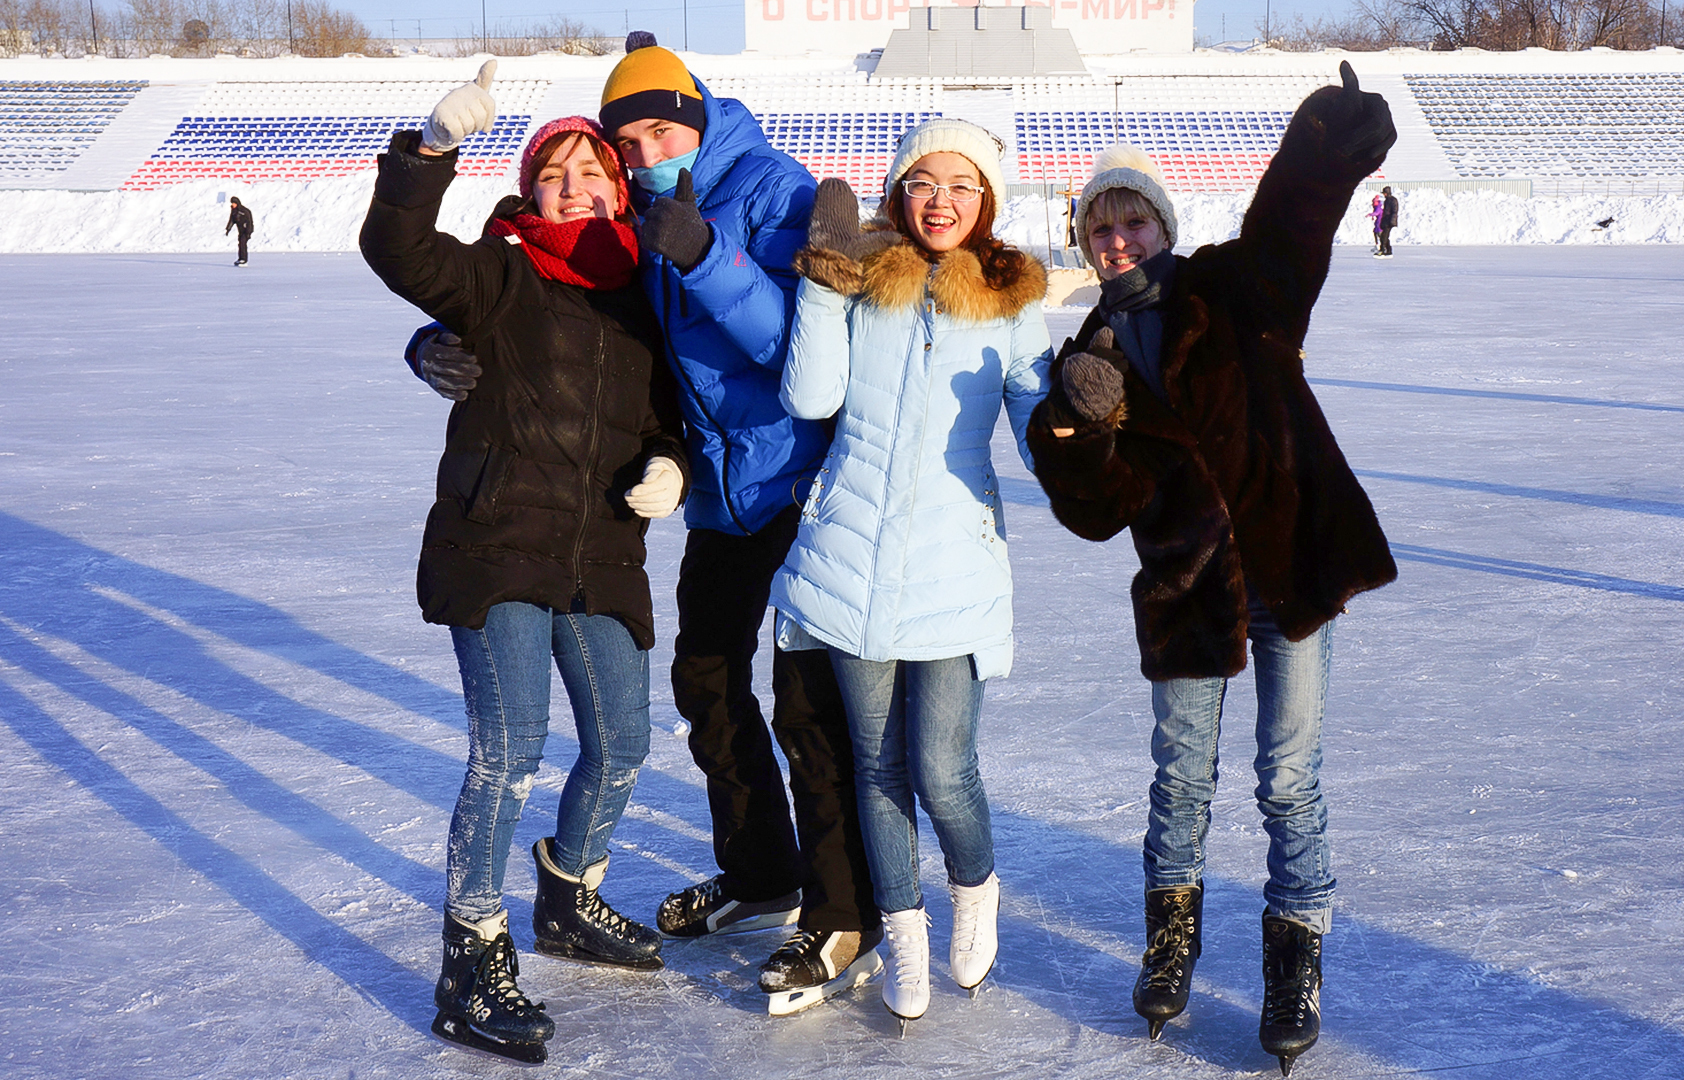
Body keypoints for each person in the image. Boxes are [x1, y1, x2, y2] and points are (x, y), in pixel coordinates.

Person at [407, 31, 883, 1016]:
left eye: (660, 128)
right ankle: (761, 873)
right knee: (706, 679)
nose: (642, 149)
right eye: (627, 139)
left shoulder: (770, 190)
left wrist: (708, 258)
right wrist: (439, 337)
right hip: (716, 487)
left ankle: (844, 912)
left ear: (696, 118)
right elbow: (573, 318)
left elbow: (804, 351)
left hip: (792, 476)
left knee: (805, 700)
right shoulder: (638, 209)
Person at [1025, 63, 1398, 1075]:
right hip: (1189, 593)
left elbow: (1291, 232)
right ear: (1084, 244)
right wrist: (1075, 430)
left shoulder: (1233, 290)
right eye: (1100, 229)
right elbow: (1098, 513)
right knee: (1180, 781)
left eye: (1133, 222)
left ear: (1161, 225)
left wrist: (1322, 153)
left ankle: (1292, 963)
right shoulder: (1091, 355)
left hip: (1294, 569)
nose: (1117, 241)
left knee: (1289, 783)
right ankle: (1171, 944)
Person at [361, 63, 689, 1063]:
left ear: (619, 191)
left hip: (599, 554)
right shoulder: (500, 276)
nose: (578, 183)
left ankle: (570, 895)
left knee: (625, 741)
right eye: (557, 172)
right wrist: (430, 153)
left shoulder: (643, 298)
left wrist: (672, 460)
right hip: (497, 542)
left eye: (594, 169)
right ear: (531, 192)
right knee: (509, 751)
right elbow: (399, 247)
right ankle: (471, 955)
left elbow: (669, 410)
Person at [773, 119, 1052, 1031]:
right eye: (923, 182)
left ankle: (975, 891)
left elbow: (1038, 430)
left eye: (962, 185)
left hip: (953, 570)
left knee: (942, 769)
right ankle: (904, 931)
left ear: (987, 204)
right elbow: (811, 398)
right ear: (897, 192)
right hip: (850, 558)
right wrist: (822, 281)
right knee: (877, 768)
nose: (940, 200)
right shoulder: (863, 286)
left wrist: (1077, 410)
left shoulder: (1011, 303)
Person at [225, 196, 252, 266]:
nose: (232, 204)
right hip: (240, 230)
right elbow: (232, 220)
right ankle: (240, 258)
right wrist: (228, 229)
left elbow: (250, 222)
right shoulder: (234, 211)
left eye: (233, 203)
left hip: (246, 230)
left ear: (237, 203)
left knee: (243, 244)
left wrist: (249, 232)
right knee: (240, 244)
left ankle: (244, 259)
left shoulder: (244, 211)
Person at [1376, 184, 1398, 257]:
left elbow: (1394, 212)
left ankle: (1382, 250)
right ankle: (1388, 251)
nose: (1384, 195)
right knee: (1384, 236)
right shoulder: (1387, 200)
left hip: (1389, 222)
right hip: (1386, 221)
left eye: (1384, 193)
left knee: (1384, 237)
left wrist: (1391, 222)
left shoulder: (1393, 200)